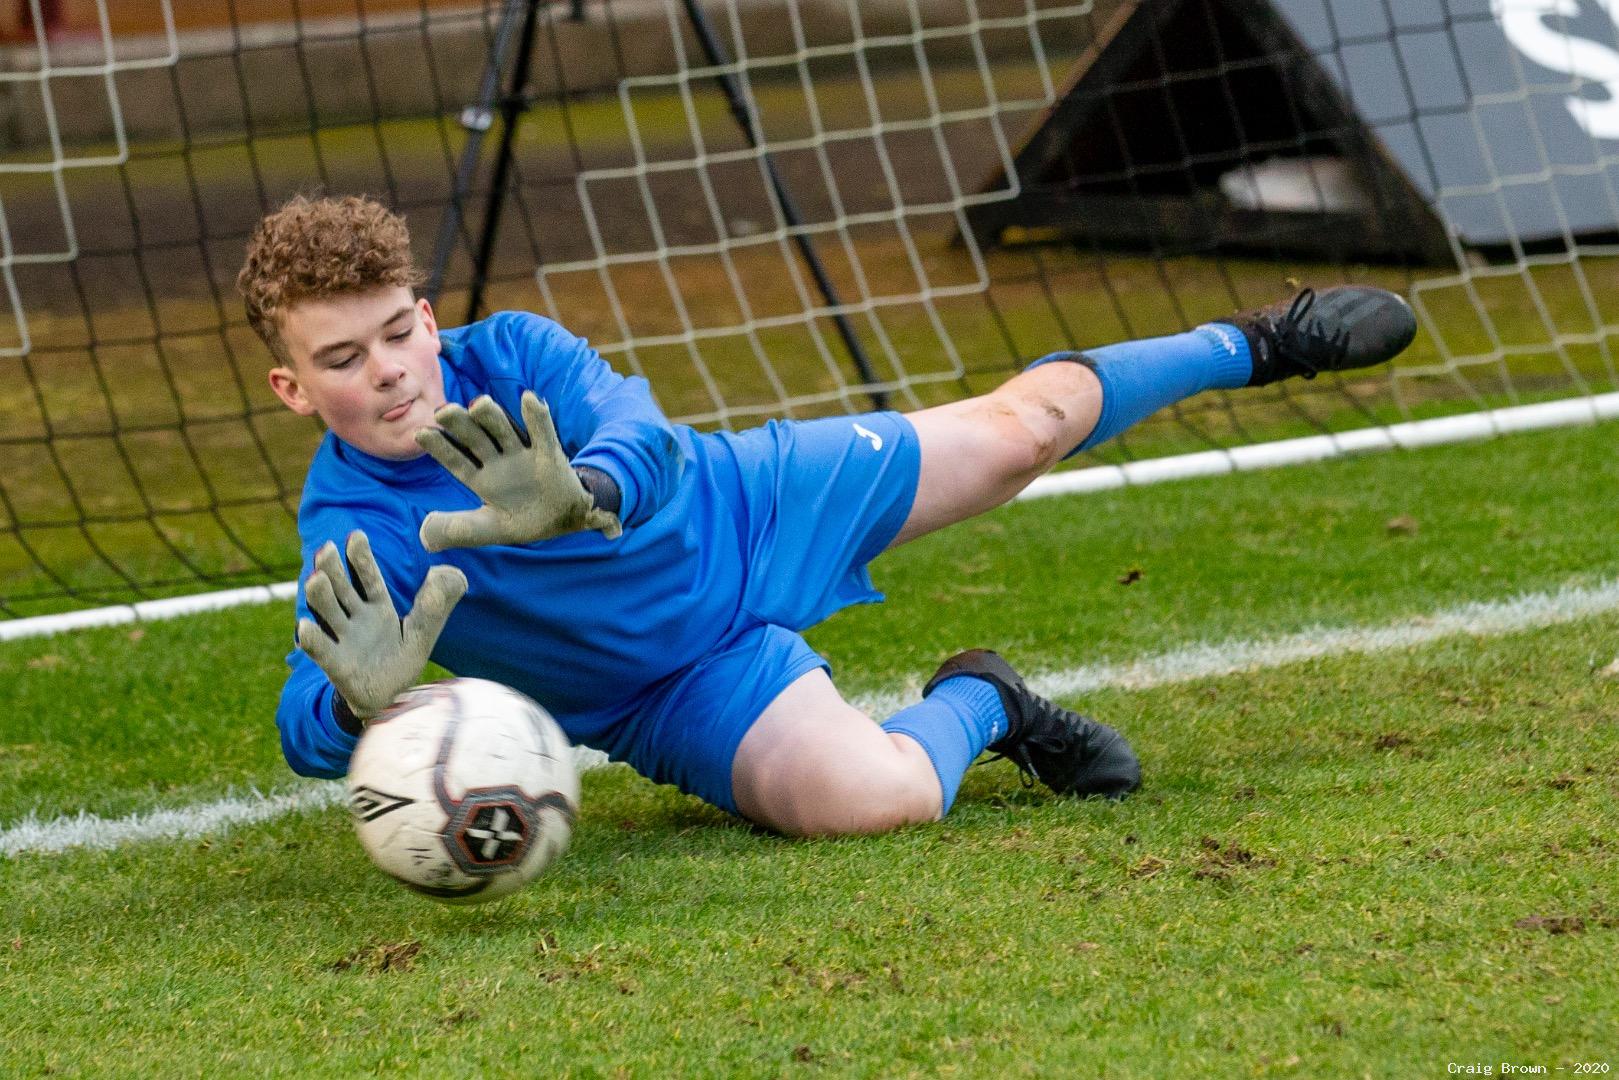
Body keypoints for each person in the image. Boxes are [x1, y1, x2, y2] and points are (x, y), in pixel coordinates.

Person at [243, 194, 1417, 837]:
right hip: (670, 689)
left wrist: (583, 497)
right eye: (344, 358)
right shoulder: (355, 521)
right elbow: (309, 710)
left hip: (747, 505)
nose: (392, 371)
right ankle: (988, 702)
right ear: (294, 389)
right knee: (877, 802)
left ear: (429, 316)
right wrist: (355, 702)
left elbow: (640, 437)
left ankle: (1253, 343)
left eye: (401, 331)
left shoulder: (517, 351)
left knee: (1017, 436)